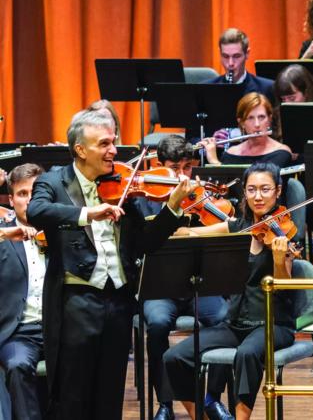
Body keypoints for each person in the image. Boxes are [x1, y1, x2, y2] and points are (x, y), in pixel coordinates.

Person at [26, 110, 193, 419]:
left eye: (113, 142)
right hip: (76, 304)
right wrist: (87, 214)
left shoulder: (123, 186)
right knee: (73, 396)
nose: (113, 151)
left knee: (110, 394)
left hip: (118, 302)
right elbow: (37, 212)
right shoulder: (53, 182)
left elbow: (145, 243)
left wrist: (172, 207)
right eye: (104, 144)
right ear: (80, 150)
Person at [164, 162, 297, 420]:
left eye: (265, 189)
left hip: (273, 323)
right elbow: (190, 233)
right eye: (251, 189)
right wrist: (177, 212)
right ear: (244, 193)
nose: (258, 196)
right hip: (234, 324)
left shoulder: (284, 233)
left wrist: (280, 260)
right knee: (174, 356)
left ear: (278, 191)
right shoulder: (237, 228)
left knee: (247, 354)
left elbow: (285, 288)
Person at [138, 135, 228, 420]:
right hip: (160, 287)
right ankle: (165, 404)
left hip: (198, 283)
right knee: (157, 324)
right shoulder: (144, 201)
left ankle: (212, 397)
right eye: (174, 167)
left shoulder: (201, 197)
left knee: (225, 318)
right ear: (158, 165)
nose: (181, 175)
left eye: (187, 167)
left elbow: (226, 228)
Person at [0, 164, 46, 420]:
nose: (28, 200)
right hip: (18, 333)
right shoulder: (3, 235)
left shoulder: (61, 232)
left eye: (34, 192)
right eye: (21, 193)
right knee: (18, 366)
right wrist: (7, 234)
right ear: (10, 199)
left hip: (59, 329)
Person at [200, 92, 293, 168]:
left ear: (269, 119)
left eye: (261, 117)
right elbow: (224, 189)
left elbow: (259, 182)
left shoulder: (281, 152)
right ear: (242, 123)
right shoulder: (230, 154)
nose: (257, 124)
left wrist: (214, 161)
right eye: (250, 118)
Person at [205, 28, 274, 102]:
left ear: (247, 54)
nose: (230, 63)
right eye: (225, 56)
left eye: (236, 56)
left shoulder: (267, 89)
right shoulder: (205, 90)